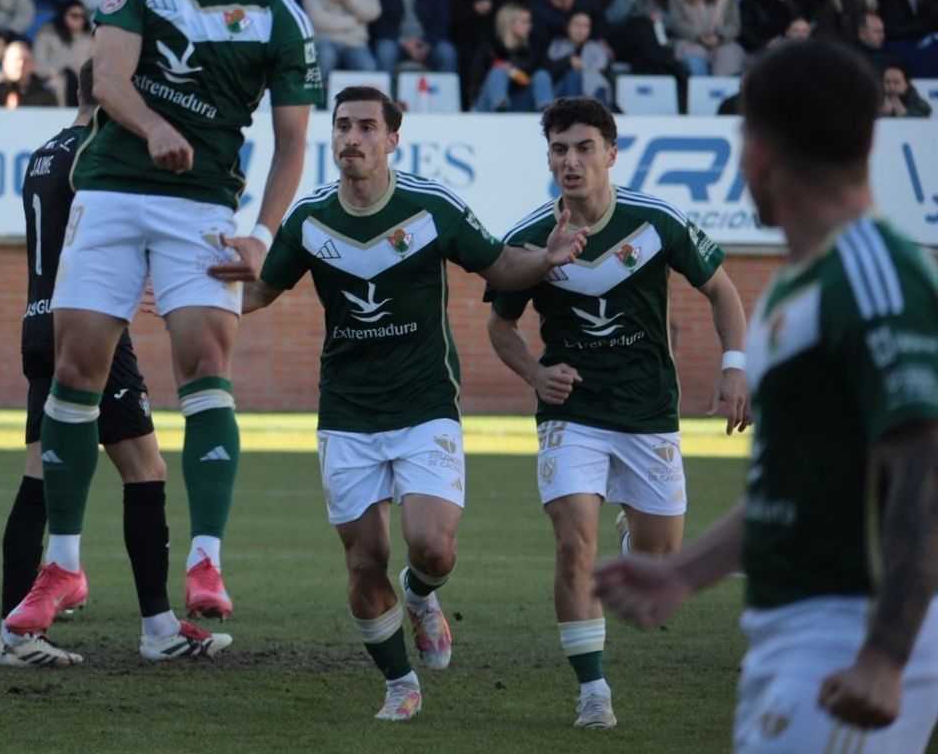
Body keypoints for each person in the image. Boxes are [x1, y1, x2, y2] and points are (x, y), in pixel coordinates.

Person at [2, 0, 320, 655]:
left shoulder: (282, 16)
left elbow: (291, 147)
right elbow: (106, 80)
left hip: (202, 208)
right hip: (107, 190)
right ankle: (64, 566)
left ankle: (207, 563)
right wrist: (152, 128)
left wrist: (261, 234)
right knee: (75, 371)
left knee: (205, 366)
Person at [597, 38, 938, 754]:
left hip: (849, 631)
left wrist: (883, 655)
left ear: (760, 149)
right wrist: (683, 574)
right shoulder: (794, 288)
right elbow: (798, 481)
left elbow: (926, 465)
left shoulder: (873, 277)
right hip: (792, 632)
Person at [245, 86, 587, 721]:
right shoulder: (310, 218)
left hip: (426, 404)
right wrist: (193, 299)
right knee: (363, 559)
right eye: (343, 126)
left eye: (367, 127)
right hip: (346, 414)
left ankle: (421, 595)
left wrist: (546, 258)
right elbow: (261, 291)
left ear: (393, 139)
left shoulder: (432, 207)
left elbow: (499, 267)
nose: (352, 138)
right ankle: (400, 683)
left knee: (432, 547)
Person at [485, 96, 746, 729]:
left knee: (658, 562)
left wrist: (735, 364)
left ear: (610, 154)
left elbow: (722, 289)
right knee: (575, 547)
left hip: (647, 413)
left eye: (582, 148)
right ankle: (592, 691)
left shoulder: (654, 220)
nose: (569, 162)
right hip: (571, 413)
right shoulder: (527, 238)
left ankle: (638, 539)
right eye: (558, 149)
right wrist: (535, 373)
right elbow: (499, 324)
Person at [0, 58, 171, 665]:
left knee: (65, 477)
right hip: (87, 327)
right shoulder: (101, 151)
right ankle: (150, 629)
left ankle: (21, 635)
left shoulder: (44, 152)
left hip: (40, 322)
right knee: (129, 474)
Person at [373, 0, 459, 75]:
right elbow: (380, 21)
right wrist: (404, 42)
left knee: (447, 53)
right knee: (385, 52)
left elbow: (443, 19)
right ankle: (386, 94)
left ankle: (447, 93)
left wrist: (426, 43)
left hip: (428, 40)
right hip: (396, 40)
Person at [470, 3, 555, 110]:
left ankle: (548, 112)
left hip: (517, 101)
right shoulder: (490, 46)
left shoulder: (532, 47)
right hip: (488, 102)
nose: (529, 26)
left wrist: (513, 69)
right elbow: (476, 80)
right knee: (498, 71)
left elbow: (536, 74)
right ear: (510, 23)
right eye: (524, 22)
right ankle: (499, 106)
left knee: (541, 75)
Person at [544, 9, 614, 102]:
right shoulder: (556, 46)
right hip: (560, 96)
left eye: (586, 26)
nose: (581, 30)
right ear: (567, 26)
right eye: (577, 25)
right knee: (574, 75)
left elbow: (605, 76)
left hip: (593, 95)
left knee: (599, 86)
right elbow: (547, 74)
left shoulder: (598, 50)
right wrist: (567, 62)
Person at [31, 0, 92, 99]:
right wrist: (57, 71)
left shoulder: (91, 39)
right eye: (74, 16)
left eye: (83, 16)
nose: (80, 20)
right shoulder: (46, 35)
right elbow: (38, 66)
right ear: (63, 15)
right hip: (53, 83)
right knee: (59, 82)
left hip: (82, 85)